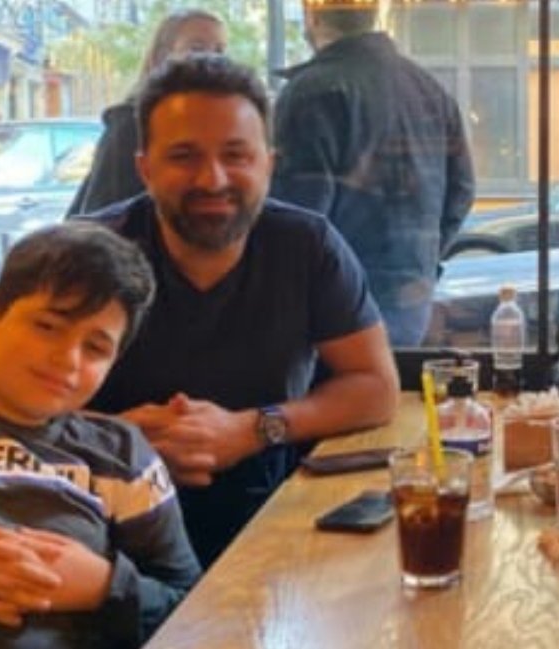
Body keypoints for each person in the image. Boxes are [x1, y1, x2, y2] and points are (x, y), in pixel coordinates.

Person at [70, 54, 400, 566]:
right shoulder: (84, 255)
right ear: (145, 168)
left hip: (268, 525)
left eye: (236, 155)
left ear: (268, 163)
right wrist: (118, 439)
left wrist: (253, 429)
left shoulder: (306, 245)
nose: (213, 178)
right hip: (98, 532)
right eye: (184, 156)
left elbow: (376, 386)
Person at [0, 222, 200, 647]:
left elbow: (198, 609)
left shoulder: (121, 458)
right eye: (47, 326)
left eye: (96, 347)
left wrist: (105, 587)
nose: (67, 358)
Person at [271, 0, 475, 347]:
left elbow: (298, 218)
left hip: (333, 310)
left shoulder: (310, 92)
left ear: (311, 15)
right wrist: (420, 263)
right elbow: (461, 191)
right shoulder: (429, 90)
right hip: (410, 303)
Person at [68, 9, 226, 215]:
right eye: (197, 49)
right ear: (163, 56)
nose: (211, 60)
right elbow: (103, 218)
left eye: (219, 51)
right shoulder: (130, 127)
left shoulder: (222, 123)